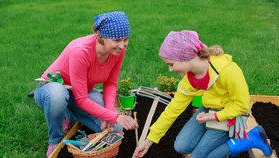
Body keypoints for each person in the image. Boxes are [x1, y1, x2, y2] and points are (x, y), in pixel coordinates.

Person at [132, 30, 272, 158]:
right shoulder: (189, 80)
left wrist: (214, 117)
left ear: (185, 57)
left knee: (198, 156)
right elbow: (172, 110)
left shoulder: (228, 71)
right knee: (181, 146)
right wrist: (149, 141)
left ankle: (251, 138)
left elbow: (242, 105)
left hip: (231, 114)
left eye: (171, 64)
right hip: (208, 110)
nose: (170, 69)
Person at [34, 11, 138, 157]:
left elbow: (110, 84)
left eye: (126, 39)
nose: (122, 45)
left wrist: (109, 114)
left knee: (116, 128)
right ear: (102, 37)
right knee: (58, 96)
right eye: (117, 40)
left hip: (81, 92)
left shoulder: (118, 51)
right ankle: (55, 139)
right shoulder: (80, 51)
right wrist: (114, 115)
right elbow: (82, 99)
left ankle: (69, 111)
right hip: (52, 89)